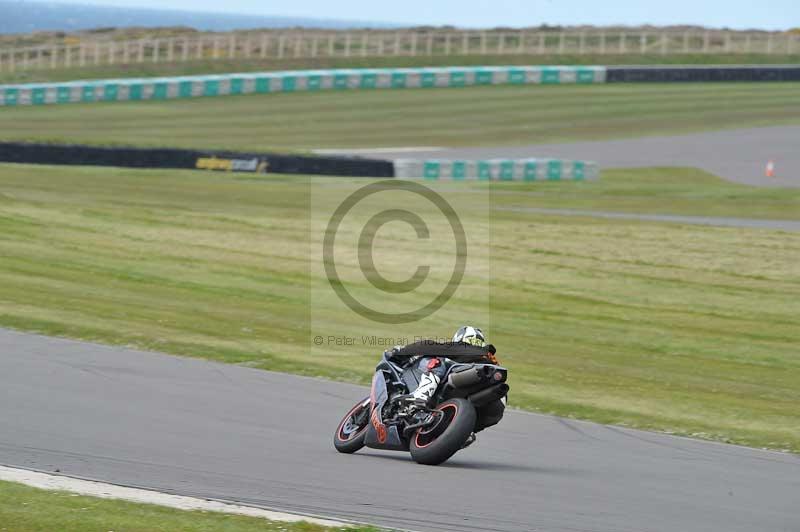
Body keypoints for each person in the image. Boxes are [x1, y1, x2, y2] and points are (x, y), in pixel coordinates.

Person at [384, 326, 506, 444]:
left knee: (436, 362)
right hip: (494, 402)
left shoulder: (463, 347)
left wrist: (400, 352)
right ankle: (466, 432)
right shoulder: (491, 359)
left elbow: (428, 345)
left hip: (467, 383)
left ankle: (420, 397)